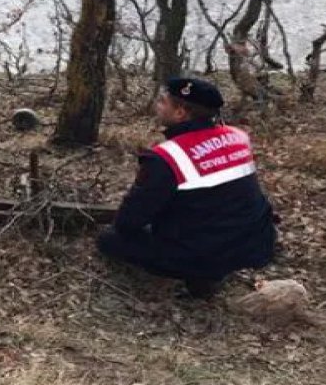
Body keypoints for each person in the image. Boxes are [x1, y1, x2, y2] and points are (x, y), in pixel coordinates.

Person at [96, 77, 277, 299]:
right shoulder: (237, 136)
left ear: (181, 113)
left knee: (109, 239)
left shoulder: (167, 158)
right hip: (257, 241)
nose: (157, 105)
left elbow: (129, 221)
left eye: (163, 102)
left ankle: (201, 277)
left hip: (205, 253)